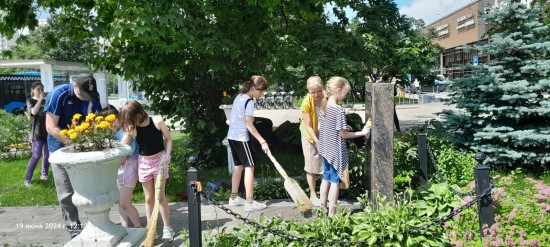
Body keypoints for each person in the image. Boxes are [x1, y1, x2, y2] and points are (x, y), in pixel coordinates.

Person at [44, 75, 102, 238]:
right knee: (66, 193)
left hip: (85, 147)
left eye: (88, 96)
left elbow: (95, 122)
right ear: (74, 85)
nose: (86, 99)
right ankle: (75, 231)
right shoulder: (58, 94)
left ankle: (97, 224)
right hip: (60, 150)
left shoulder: (93, 96)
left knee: (91, 188)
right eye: (82, 95)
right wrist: (74, 143)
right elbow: (50, 126)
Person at [118, 100, 175, 241]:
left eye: (131, 118)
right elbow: (122, 145)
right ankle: (151, 229)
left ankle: (168, 227)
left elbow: (169, 140)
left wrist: (167, 157)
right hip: (144, 163)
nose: (130, 122)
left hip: (159, 162)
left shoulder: (157, 121)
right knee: (148, 198)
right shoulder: (133, 128)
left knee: (160, 197)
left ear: (139, 113)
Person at [318, 76, 371, 217]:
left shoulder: (323, 106)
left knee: (326, 178)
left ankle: (322, 208)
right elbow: (344, 136)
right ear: (338, 90)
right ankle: (332, 214)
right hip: (335, 151)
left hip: (325, 149)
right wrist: (362, 132)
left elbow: (322, 127)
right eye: (345, 93)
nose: (345, 96)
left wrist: (343, 127)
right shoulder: (338, 110)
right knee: (335, 181)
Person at [227, 75, 270, 212]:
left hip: (231, 137)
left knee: (238, 166)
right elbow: (249, 126)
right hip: (241, 138)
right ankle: (249, 202)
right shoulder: (249, 102)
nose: (261, 94)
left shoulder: (239, 97)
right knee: (249, 167)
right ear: (252, 88)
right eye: (260, 91)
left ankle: (234, 198)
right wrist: (263, 141)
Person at [98, 105, 142, 228]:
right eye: (107, 122)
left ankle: (139, 228)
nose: (111, 124)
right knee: (121, 201)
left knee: (124, 203)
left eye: (113, 120)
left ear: (119, 117)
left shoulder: (125, 131)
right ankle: (125, 227)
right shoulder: (108, 134)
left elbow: (124, 154)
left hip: (129, 166)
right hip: (119, 168)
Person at [299, 76, 324, 207]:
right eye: (313, 92)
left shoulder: (326, 98)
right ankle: (313, 194)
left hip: (324, 133)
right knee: (311, 166)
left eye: (319, 91)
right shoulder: (306, 102)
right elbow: (308, 126)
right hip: (309, 136)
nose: (316, 94)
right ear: (309, 92)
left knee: (325, 165)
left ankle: (325, 193)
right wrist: (317, 141)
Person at [24, 82, 49, 187]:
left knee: (47, 155)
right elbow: (33, 112)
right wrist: (40, 100)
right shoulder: (30, 101)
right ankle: (27, 179)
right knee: (36, 155)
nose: (41, 91)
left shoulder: (46, 100)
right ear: (33, 90)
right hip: (37, 132)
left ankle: (44, 174)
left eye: (42, 89)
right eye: (39, 89)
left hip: (48, 131)